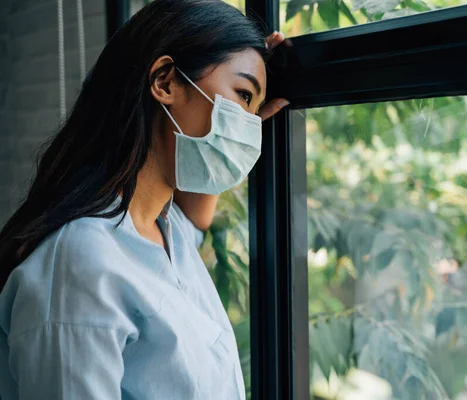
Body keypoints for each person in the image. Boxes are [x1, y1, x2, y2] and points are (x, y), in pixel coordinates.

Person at [0, 0, 288, 398]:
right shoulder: (79, 265)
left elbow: (195, 221)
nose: (249, 125)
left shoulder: (162, 228)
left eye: (254, 111)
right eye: (242, 95)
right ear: (166, 81)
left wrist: (235, 124)